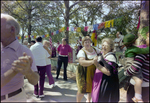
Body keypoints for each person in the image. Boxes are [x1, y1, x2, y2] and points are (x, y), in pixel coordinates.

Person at [1, 13, 39, 102]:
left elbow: (35, 81)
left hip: (14, 98)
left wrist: (28, 71)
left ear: (12, 29)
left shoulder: (24, 51)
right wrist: (15, 70)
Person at [91, 38, 119, 102]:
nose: (104, 47)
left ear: (111, 47)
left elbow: (108, 72)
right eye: (103, 45)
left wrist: (97, 64)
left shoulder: (110, 57)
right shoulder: (102, 54)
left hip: (107, 83)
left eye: (106, 46)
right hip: (100, 81)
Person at [124, 32, 149, 102]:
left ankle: (137, 97)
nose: (146, 39)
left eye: (147, 37)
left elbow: (134, 68)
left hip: (138, 87)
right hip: (147, 87)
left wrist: (126, 73)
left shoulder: (143, 53)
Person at [76, 36, 100, 102]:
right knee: (82, 89)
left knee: (91, 87)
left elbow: (102, 52)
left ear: (90, 43)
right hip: (83, 72)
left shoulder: (94, 49)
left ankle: (88, 100)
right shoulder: (82, 51)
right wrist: (93, 61)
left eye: (88, 42)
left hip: (93, 71)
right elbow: (81, 62)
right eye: (85, 42)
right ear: (83, 44)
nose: (87, 44)